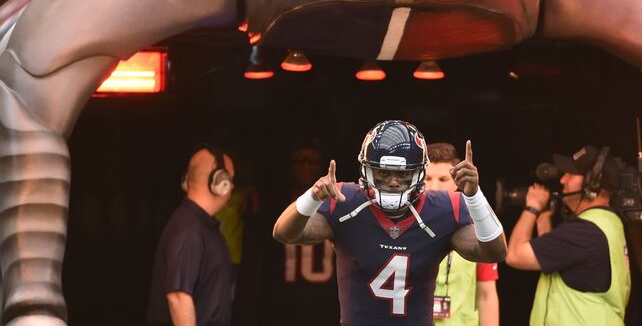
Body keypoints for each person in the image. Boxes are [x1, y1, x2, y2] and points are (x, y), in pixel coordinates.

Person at [273, 120, 508, 325]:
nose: (393, 182)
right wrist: (312, 197)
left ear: (418, 173)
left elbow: (494, 252)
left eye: (403, 174)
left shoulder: (444, 207)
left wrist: (474, 196)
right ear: (366, 170)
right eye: (383, 173)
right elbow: (284, 233)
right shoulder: (345, 201)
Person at [505, 146, 631, 326]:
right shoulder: (606, 224)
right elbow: (557, 260)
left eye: (571, 175)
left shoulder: (584, 232)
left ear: (592, 183)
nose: (563, 180)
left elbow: (515, 255)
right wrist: (543, 220)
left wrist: (532, 207)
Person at [232, 140, 340, 324]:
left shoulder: (338, 205)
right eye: (299, 161)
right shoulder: (273, 208)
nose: (305, 166)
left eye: (311, 161)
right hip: (283, 305)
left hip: (325, 305)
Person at [148, 144, 236, 326]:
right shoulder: (189, 231)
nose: (232, 187)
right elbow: (178, 297)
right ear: (220, 182)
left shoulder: (197, 226)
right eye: (231, 179)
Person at [425, 142, 500, 326]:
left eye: (443, 179)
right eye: (427, 178)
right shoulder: (403, 224)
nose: (434, 186)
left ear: (456, 181)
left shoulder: (477, 226)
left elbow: (486, 294)